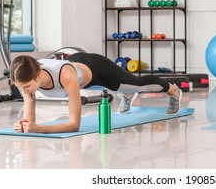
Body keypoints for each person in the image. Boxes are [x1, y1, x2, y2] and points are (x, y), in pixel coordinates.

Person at [10, 52, 182, 133]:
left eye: (26, 87)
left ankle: (173, 90)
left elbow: (74, 125)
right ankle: (127, 93)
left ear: (38, 75)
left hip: (99, 70)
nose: (24, 91)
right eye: (20, 87)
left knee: (136, 84)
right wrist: (25, 125)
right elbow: (29, 121)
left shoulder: (65, 76)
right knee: (127, 88)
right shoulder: (28, 77)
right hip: (77, 64)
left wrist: (39, 129)